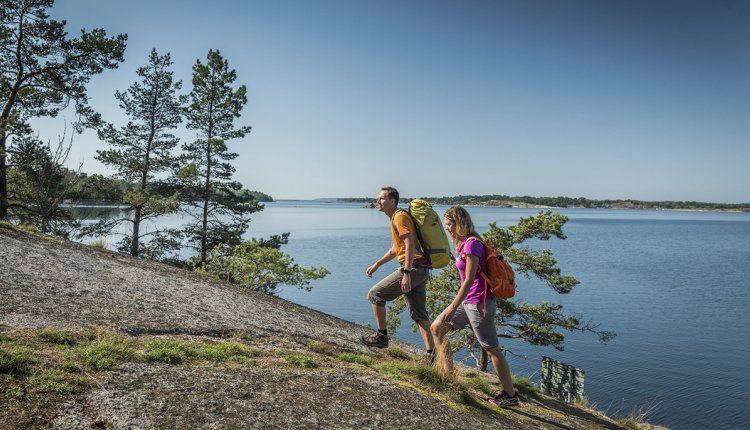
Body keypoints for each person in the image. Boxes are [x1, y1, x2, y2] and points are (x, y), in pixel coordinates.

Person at [430, 205, 519, 408]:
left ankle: (510, 395)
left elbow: (468, 280)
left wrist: (453, 307)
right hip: (468, 302)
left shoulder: (472, 244)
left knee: (492, 349)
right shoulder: (463, 245)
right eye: (446, 225)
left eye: (450, 224)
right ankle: (447, 375)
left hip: (480, 304)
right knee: (437, 328)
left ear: (460, 222)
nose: (448, 229)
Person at [361, 187, 435, 358]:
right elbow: (397, 248)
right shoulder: (396, 217)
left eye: (381, 198)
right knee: (419, 313)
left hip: (413, 268)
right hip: (421, 269)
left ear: (392, 201)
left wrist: (407, 272)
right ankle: (432, 355)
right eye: (378, 198)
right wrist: (377, 264)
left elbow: (409, 244)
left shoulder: (400, 216)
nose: (377, 201)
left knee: (375, 295)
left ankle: (382, 337)